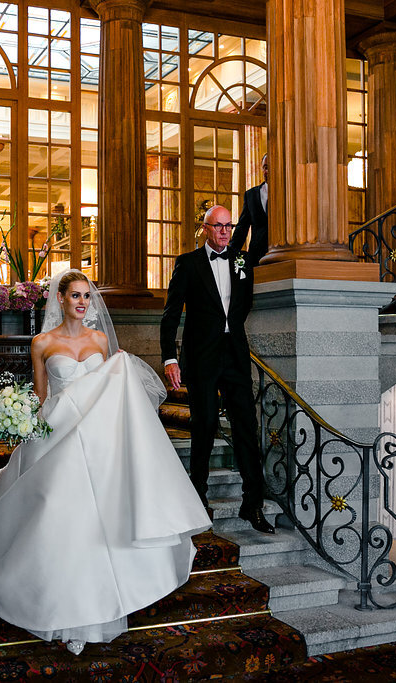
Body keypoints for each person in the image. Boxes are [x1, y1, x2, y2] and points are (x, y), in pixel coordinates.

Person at [0, 269, 211, 655]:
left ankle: (107, 600)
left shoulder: (101, 340)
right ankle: (63, 607)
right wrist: (26, 425)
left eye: (86, 297)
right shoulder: (42, 343)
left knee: (102, 515)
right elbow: (42, 399)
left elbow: (112, 391)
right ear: (60, 299)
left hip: (98, 438)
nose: (82, 303)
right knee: (62, 516)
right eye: (75, 296)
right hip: (59, 434)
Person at [160, 205, 275, 534]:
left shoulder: (242, 261)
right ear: (205, 229)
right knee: (205, 426)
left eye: (229, 226)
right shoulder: (188, 264)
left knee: (246, 429)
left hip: (236, 356)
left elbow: (244, 306)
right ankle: (198, 500)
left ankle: (252, 505)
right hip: (202, 358)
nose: (225, 231)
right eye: (218, 226)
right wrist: (170, 357)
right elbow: (171, 315)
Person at [231, 152, 269, 263]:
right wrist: (230, 253)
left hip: (282, 255)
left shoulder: (289, 193)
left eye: (271, 167)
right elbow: (242, 227)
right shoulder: (251, 195)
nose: (268, 171)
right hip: (256, 257)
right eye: (265, 167)